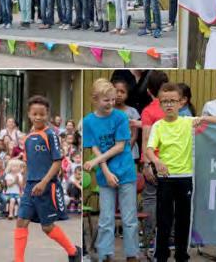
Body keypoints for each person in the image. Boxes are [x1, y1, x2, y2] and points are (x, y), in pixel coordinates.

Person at [147, 83, 216, 262]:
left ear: (181, 103)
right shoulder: (158, 126)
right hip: (165, 179)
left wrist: (201, 119)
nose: (169, 105)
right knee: (164, 220)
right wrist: (156, 161)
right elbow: (149, 149)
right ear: (160, 104)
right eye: (165, 101)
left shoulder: (188, 121)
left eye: (173, 101)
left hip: (185, 179)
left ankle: (181, 255)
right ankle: (161, 255)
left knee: (183, 220)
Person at [14, 95, 81, 262]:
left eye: (42, 114)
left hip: (47, 187)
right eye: (34, 114)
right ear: (29, 114)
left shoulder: (50, 134)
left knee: (47, 227)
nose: (38, 117)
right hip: (30, 186)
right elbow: (28, 163)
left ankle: (73, 252)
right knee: (21, 221)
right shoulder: (28, 137)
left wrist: (43, 182)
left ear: (48, 115)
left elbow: (58, 162)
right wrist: (24, 180)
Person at [82, 79, 138, 262]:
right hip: (105, 174)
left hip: (125, 171)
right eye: (106, 100)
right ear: (95, 99)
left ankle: (132, 254)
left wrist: (97, 161)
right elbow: (95, 147)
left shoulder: (120, 117)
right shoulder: (88, 121)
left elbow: (120, 146)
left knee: (129, 217)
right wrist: (105, 171)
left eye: (113, 100)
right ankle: (105, 254)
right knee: (106, 217)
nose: (111, 104)